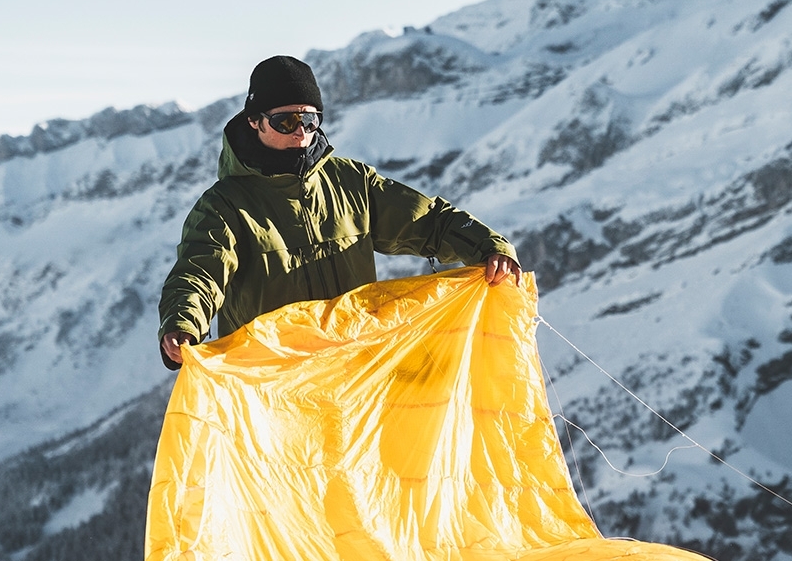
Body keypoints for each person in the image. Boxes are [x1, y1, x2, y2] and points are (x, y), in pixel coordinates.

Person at [157, 55, 520, 369]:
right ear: (255, 120)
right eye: (286, 121)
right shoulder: (224, 206)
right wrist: (182, 323)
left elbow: (427, 221)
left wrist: (488, 247)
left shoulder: (351, 181)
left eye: (310, 120)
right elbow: (199, 273)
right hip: (275, 387)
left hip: (354, 373)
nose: (300, 132)